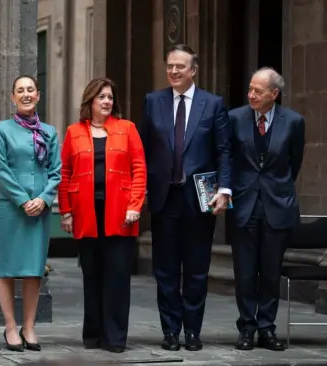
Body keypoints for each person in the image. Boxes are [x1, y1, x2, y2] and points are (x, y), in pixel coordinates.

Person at [139, 44, 231, 351]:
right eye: (170, 66)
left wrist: (225, 189)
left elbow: (223, 151)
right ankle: (170, 331)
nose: (174, 71)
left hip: (199, 199)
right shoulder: (153, 102)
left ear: (194, 70)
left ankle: (192, 331)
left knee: (195, 269)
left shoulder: (213, 104)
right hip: (164, 199)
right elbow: (144, 151)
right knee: (165, 269)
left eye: (180, 66)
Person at [58, 78, 146, 353]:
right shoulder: (74, 132)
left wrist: (135, 205)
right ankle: (93, 335)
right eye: (101, 97)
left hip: (120, 214)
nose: (106, 101)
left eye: (109, 97)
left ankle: (115, 338)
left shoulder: (127, 129)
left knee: (118, 277)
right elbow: (64, 173)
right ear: (90, 102)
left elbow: (139, 169)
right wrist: (66, 211)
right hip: (86, 214)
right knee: (92, 276)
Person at [229, 67, 304, 351]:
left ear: (275, 94)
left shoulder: (294, 122)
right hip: (245, 205)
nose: (251, 95)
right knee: (245, 272)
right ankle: (247, 327)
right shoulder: (234, 118)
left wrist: (276, 188)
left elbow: (293, 163)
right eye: (250, 89)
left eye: (258, 91)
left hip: (277, 205)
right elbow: (229, 158)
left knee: (271, 272)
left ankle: (267, 329)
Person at [0, 75, 62, 352]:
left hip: (41, 210)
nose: (25, 94)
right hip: (13, 208)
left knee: (34, 270)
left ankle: (29, 326)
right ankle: (10, 326)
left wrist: (44, 199)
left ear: (38, 95)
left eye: (30, 90)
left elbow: (56, 171)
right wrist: (24, 200)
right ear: (13, 97)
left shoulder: (50, 132)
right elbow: (1, 169)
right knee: (7, 270)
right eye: (19, 90)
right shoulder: (2, 130)